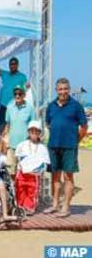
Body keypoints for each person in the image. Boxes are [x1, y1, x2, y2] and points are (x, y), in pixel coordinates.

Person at [44, 78, 88, 218]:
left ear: (68, 90)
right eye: (60, 89)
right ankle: (55, 205)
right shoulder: (51, 106)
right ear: (56, 90)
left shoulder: (76, 106)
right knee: (55, 176)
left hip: (69, 146)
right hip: (53, 146)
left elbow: (84, 127)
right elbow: (49, 124)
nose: (63, 92)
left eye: (65, 89)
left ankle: (66, 207)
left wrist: (76, 140)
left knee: (68, 177)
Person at [15, 121, 50, 214]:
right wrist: (24, 168)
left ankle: (29, 207)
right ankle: (20, 206)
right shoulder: (22, 145)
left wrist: (38, 170)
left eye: (36, 131)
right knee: (20, 190)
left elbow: (45, 163)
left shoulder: (43, 148)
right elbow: (19, 159)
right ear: (28, 132)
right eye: (32, 131)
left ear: (40, 133)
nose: (34, 133)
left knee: (32, 191)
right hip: (22, 173)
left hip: (34, 175)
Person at [1, 85, 35, 177]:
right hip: (11, 146)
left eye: (20, 94)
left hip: (25, 147)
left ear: (24, 95)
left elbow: (33, 128)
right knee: (11, 172)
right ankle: (14, 191)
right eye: (15, 94)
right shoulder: (9, 107)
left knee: (24, 171)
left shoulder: (30, 108)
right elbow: (7, 126)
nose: (17, 96)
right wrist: (3, 141)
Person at [0, 48, 27, 131]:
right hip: (3, 105)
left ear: (18, 65)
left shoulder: (22, 76)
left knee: (14, 127)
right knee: (1, 128)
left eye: (14, 64)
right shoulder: (5, 74)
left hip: (15, 106)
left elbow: (24, 92)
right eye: (11, 64)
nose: (13, 65)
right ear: (9, 65)